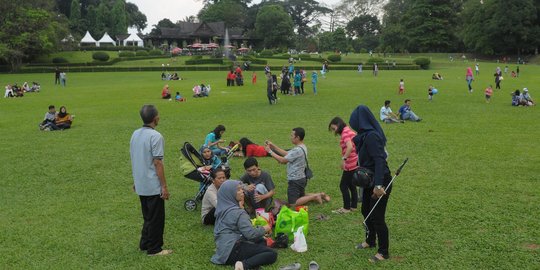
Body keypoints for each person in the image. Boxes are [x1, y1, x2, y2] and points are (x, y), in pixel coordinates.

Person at [349, 105, 393, 263]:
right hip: (369, 179)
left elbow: (380, 160)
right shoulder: (363, 136)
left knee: (377, 216)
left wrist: (379, 185)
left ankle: (383, 251)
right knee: (366, 210)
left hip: (380, 180)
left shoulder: (372, 136)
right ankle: (370, 240)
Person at [130, 104, 172, 256]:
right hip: (152, 184)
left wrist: (136, 179)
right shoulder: (156, 136)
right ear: (156, 118)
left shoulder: (135, 134)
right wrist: (164, 187)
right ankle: (154, 249)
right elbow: (158, 162)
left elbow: (136, 158)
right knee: (156, 218)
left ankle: (145, 244)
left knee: (148, 216)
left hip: (141, 183)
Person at [211, 180, 277, 270]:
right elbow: (251, 234)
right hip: (232, 251)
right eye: (238, 190)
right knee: (272, 254)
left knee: (261, 240)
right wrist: (265, 228)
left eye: (241, 189)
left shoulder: (223, 209)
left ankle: (253, 258)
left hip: (223, 249)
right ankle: (243, 265)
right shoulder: (238, 213)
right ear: (230, 193)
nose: (242, 191)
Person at [265, 127, 331, 206]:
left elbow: (282, 160)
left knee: (293, 203)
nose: (290, 137)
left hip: (295, 180)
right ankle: (320, 194)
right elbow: (287, 154)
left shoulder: (297, 150)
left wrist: (270, 151)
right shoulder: (302, 147)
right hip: (301, 178)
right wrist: (273, 146)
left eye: (292, 135)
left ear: (298, 137)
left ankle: (315, 196)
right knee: (301, 196)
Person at [328, 117, 359, 214]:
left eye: (334, 128)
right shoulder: (348, 130)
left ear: (338, 124)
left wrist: (344, 159)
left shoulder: (345, 133)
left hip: (350, 162)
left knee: (343, 185)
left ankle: (346, 208)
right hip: (356, 161)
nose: (334, 131)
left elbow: (349, 147)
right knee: (351, 184)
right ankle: (353, 206)